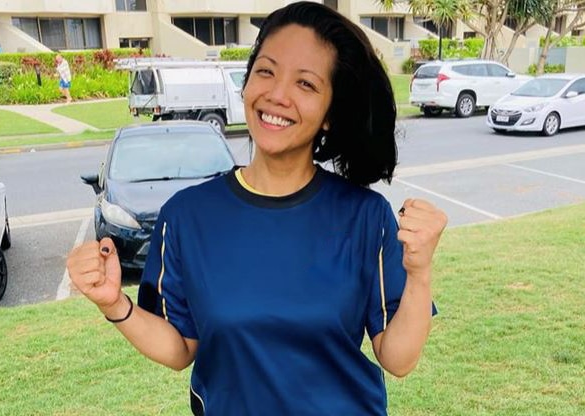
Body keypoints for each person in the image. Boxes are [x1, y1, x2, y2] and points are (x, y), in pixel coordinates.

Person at [66, 2, 448, 415]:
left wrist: (420, 271)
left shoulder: (365, 216)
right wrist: (113, 304)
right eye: (266, 71)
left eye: (306, 84)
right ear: (246, 84)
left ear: (329, 115)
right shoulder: (186, 217)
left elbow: (398, 358)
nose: (277, 95)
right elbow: (180, 348)